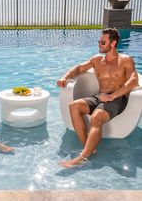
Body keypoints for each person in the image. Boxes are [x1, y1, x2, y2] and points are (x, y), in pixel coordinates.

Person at [57, 28, 138, 168]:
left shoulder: (125, 60)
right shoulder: (97, 60)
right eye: (99, 42)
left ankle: (83, 157)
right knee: (73, 106)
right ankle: (88, 149)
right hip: (100, 97)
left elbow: (133, 81)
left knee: (97, 116)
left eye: (102, 42)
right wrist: (65, 77)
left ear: (113, 44)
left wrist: (112, 96)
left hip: (118, 98)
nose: (99, 44)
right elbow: (78, 68)